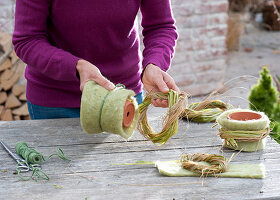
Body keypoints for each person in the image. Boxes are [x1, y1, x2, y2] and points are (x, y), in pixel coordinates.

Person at [12, 0, 180, 120]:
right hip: (56, 103)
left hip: (122, 97)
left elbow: (161, 27)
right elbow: (27, 40)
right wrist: (75, 66)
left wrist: (154, 64)